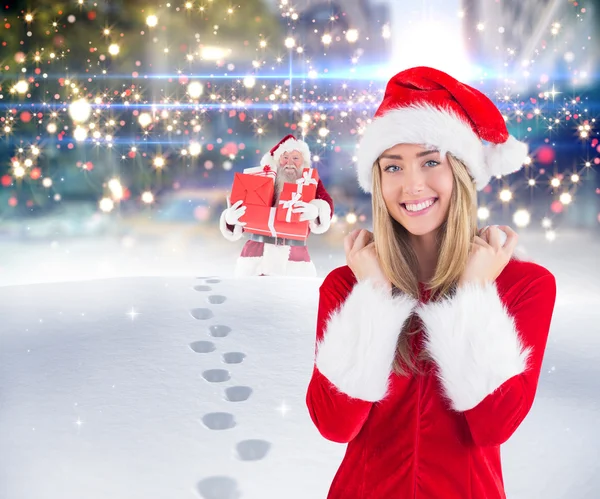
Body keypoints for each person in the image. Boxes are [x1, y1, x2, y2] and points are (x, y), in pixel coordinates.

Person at [305, 66, 557, 498]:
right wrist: (373, 296)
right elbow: (334, 424)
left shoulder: (523, 284)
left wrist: (474, 294)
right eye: (393, 167)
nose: (412, 185)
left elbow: (494, 424)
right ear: (377, 181)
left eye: (430, 161)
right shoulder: (347, 286)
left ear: (462, 171)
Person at [219, 134, 334, 277]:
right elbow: (243, 208)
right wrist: (230, 220)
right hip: (257, 255)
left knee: (294, 296)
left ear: (303, 161)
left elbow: (326, 204)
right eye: (285, 157)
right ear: (277, 160)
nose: (289, 163)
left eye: (295, 158)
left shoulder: (312, 183)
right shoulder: (259, 179)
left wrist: (317, 211)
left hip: (294, 258)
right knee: (249, 297)